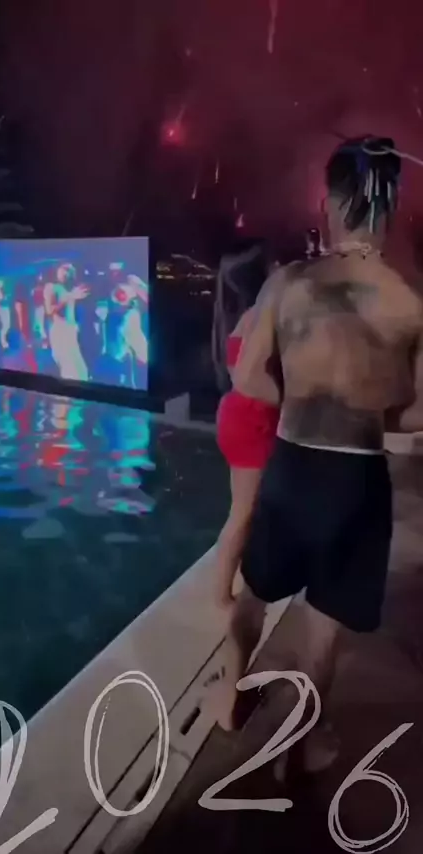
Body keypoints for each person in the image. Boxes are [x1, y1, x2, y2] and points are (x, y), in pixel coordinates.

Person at [221, 136, 423, 768]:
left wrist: (304, 401)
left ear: (329, 203)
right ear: (390, 209)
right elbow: (421, 412)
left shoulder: (290, 283)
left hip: (292, 465)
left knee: (254, 593)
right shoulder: (411, 301)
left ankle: (229, 695)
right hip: (357, 479)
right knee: (326, 621)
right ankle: (302, 739)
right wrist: (368, 411)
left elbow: (247, 375)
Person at [211, 244, 280, 623]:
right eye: (274, 264)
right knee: (243, 512)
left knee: (246, 509)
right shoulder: (258, 317)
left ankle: (237, 582)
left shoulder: (242, 317)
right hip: (251, 421)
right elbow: (248, 378)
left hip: (241, 417)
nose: (281, 267)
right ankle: (222, 595)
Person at [43, 263, 90, 381]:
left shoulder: (70, 289)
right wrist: (70, 297)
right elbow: (49, 310)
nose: (67, 273)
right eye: (64, 269)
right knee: (69, 369)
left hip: (71, 331)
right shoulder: (50, 287)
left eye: (70, 271)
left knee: (81, 370)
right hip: (60, 331)